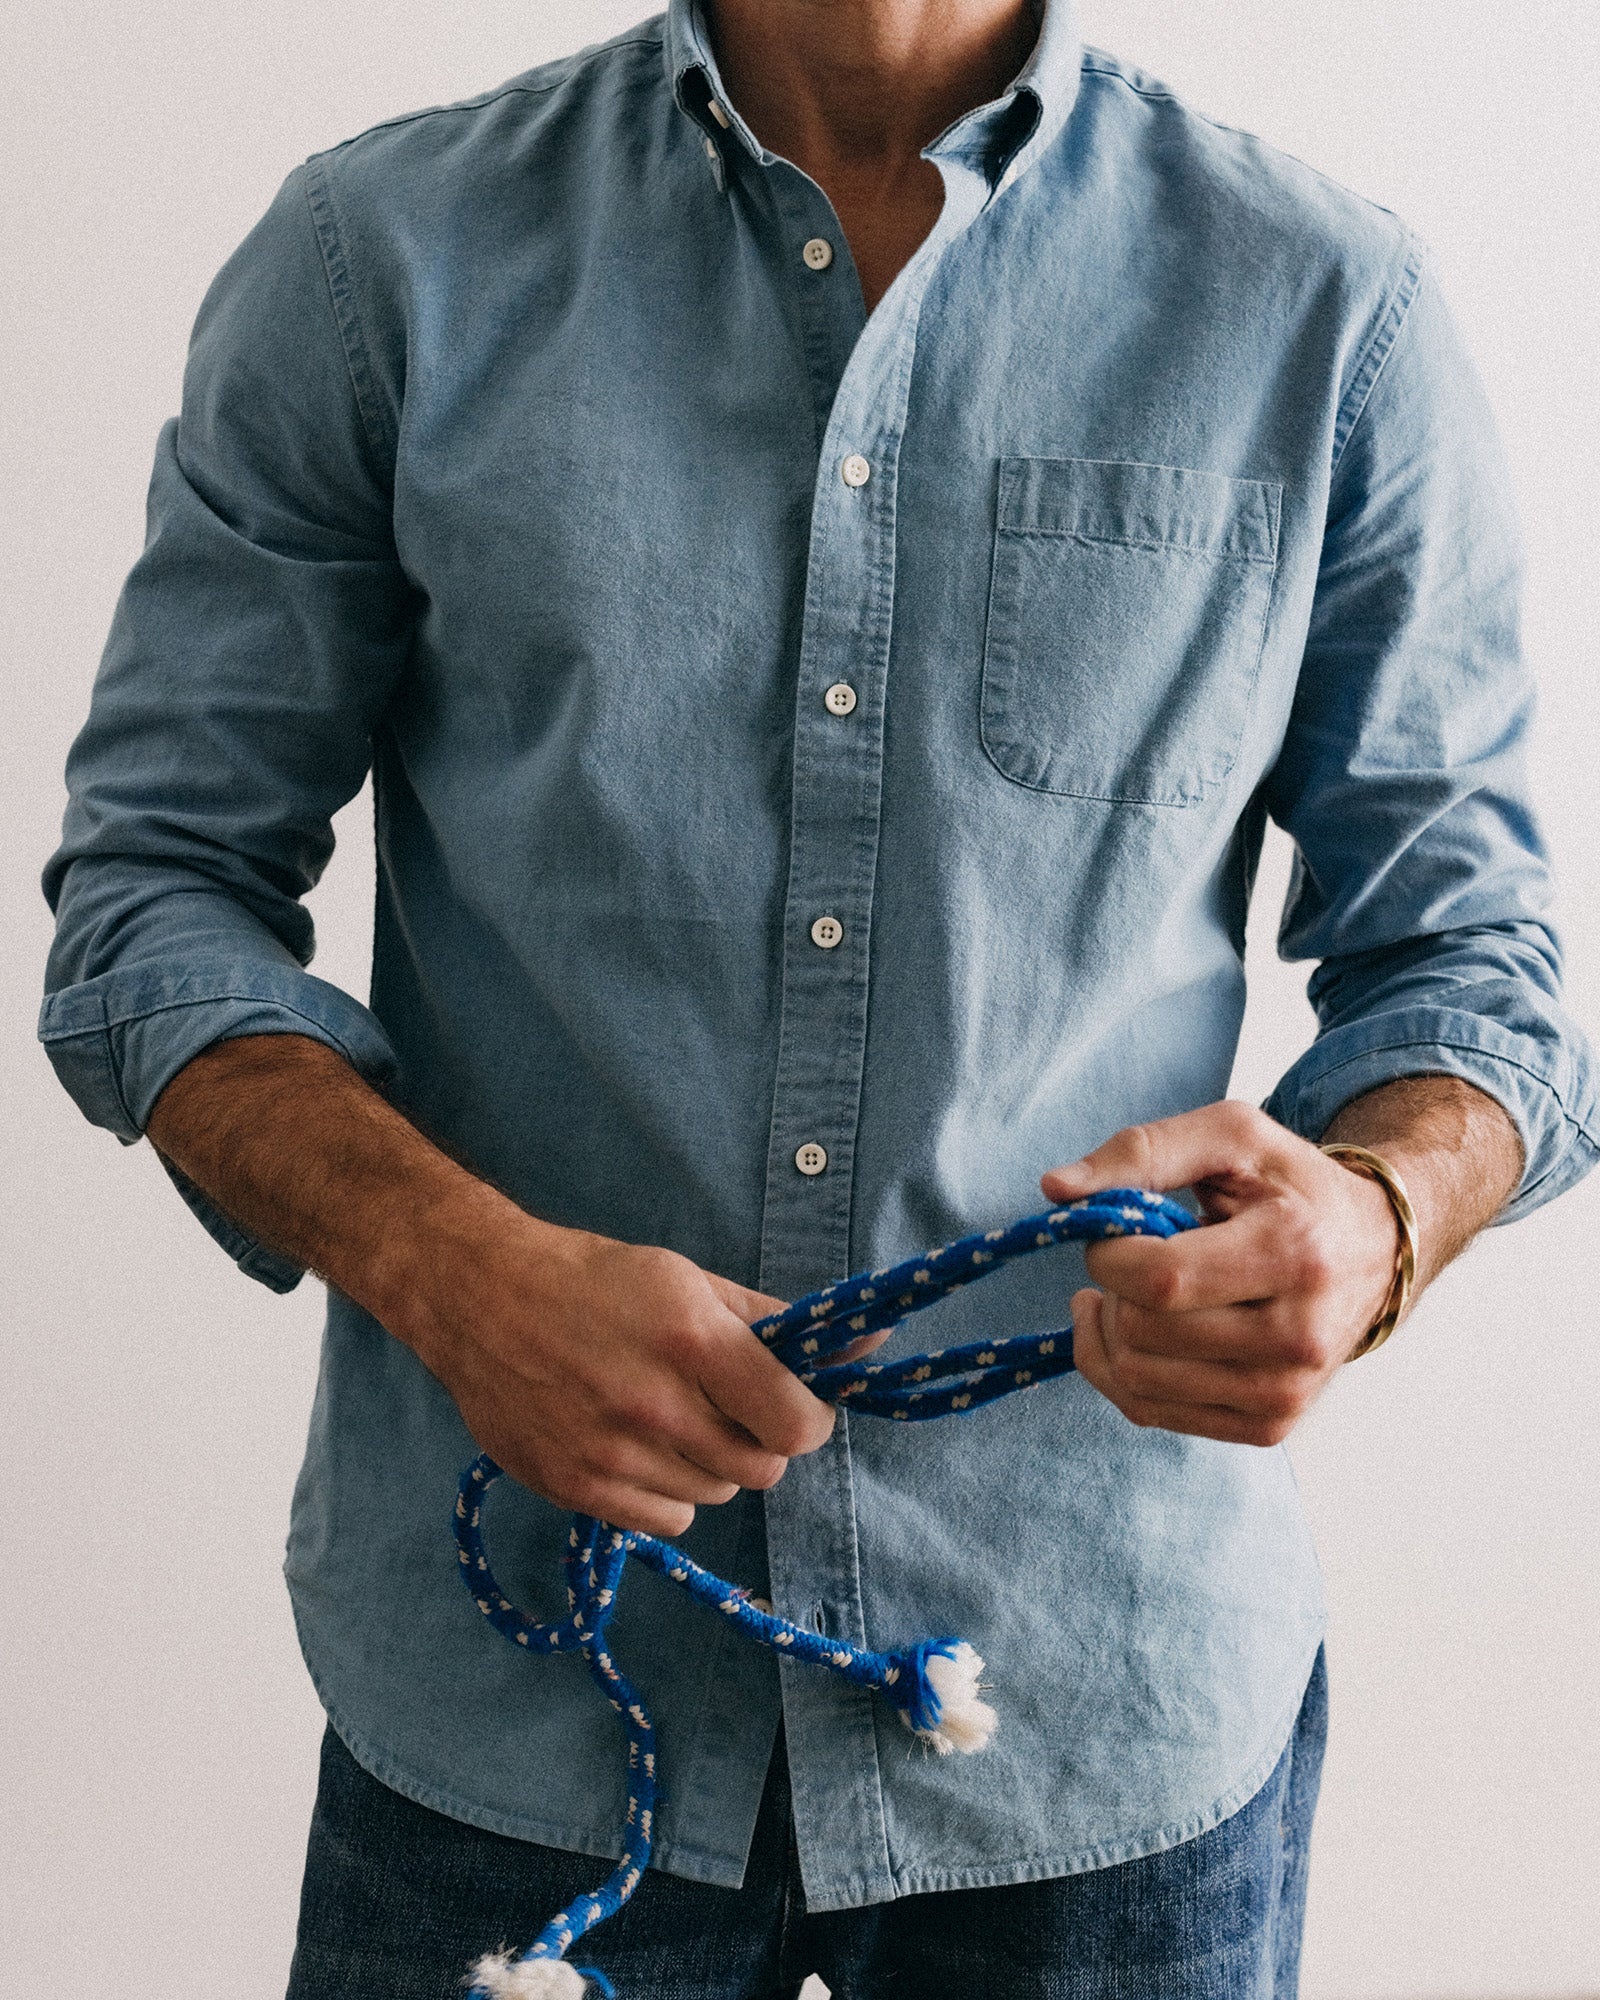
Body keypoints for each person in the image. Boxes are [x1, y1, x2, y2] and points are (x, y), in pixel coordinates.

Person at [38, 0, 1596, 1993]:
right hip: (517, 1708)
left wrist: (1376, 1218)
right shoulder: (375, 258)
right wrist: (452, 1269)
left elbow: (1480, 966)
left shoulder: (1323, 305)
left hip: (1095, 1719)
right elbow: (154, 895)